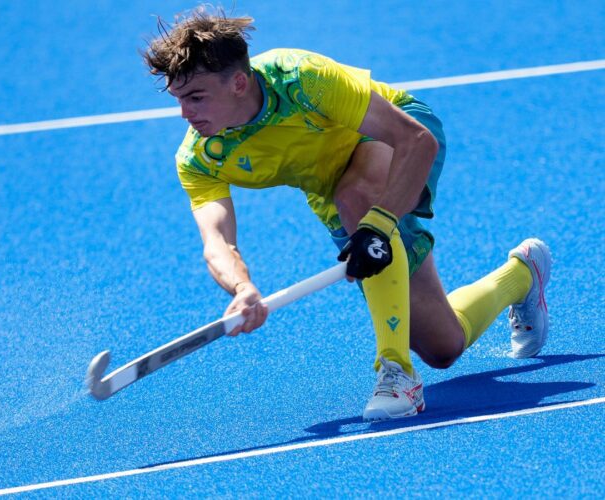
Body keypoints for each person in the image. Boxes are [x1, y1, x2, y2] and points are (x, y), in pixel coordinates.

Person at [141, 7, 551, 421]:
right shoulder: (199, 158)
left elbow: (417, 141)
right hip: (336, 195)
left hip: (397, 140)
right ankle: (523, 274)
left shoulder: (302, 79)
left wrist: (380, 223)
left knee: (356, 197)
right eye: (178, 99)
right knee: (443, 346)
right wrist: (242, 287)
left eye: (195, 97)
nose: (185, 115)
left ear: (239, 83)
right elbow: (217, 242)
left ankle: (396, 373)